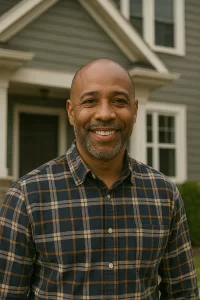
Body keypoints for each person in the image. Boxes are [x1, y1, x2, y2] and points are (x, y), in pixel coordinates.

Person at [0, 58, 199, 299]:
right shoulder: (26, 196)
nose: (105, 114)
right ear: (72, 112)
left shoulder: (164, 195)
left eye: (119, 101)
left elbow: (183, 293)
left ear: (135, 111)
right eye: (90, 101)